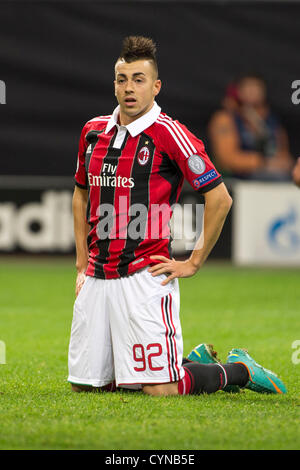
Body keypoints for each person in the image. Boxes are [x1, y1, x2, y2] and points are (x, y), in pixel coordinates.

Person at [68, 36, 286, 396]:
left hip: (144, 274)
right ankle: (188, 361)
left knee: (160, 389)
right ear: (114, 85)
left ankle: (238, 370)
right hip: (97, 276)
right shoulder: (93, 131)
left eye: (139, 79)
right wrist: (80, 263)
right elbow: (80, 194)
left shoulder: (169, 133)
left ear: (156, 86)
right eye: (122, 79)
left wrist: (194, 261)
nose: (129, 88)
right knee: (89, 386)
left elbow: (220, 198)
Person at [208, 75, 294, 181]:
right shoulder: (225, 118)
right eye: (248, 87)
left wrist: (284, 163)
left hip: (272, 171)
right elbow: (226, 159)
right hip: (241, 177)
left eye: (256, 87)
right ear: (238, 91)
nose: (252, 92)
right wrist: (262, 162)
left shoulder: (271, 120)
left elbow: (283, 154)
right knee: (277, 178)